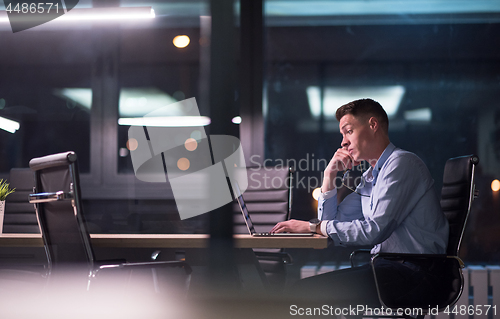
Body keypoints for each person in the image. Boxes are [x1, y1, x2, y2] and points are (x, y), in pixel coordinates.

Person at [271, 98, 449, 311]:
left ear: (373, 125)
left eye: (348, 131)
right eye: (342, 135)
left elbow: (374, 231)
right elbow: (331, 222)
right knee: (304, 292)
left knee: (301, 293)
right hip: (391, 270)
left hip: (415, 275)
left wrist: (312, 227)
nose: (343, 142)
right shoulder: (372, 176)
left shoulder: (402, 164)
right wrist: (330, 175)